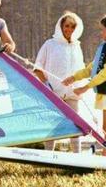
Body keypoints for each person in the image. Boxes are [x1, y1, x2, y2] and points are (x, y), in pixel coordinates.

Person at [66, 14, 106, 157]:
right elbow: (91, 69)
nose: (101, 33)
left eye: (103, 30)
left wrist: (85, 87)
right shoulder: (105, 47)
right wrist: (73, 77)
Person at [34, 11, 86, 152]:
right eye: (67, 26)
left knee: (76, 126)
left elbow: (81, 69)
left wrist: (81, 88)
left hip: (72, 94)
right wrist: (47, 86)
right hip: (54, 93)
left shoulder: (76, 46)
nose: (69, 30)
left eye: (72, 27)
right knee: (52, 127)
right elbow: (37, 68)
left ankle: (77, 157)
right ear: (61, 26)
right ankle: (48, 156)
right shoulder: (50, 44)